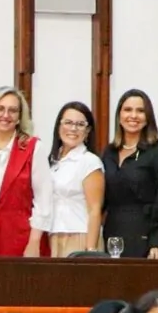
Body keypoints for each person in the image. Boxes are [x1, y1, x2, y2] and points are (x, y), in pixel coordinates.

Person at [0, 86, 52, 257]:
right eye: (0, 109)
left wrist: (34, 242)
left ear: (20, 117)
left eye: (13, 110)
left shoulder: (33, 147)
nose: (5, 115)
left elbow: (43, 200)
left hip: (24, 240)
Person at [101, 90, 158, 259]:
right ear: (119, 115)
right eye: (128, 110)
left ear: (148, 117)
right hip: (111, 235)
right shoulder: (108, 152)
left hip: (144, 238)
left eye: (140, 111)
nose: (133, 116)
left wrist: (157, 241)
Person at [47, 101, 104, 257]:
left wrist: (90, 251)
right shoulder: (53, 161)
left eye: (80, 124)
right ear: (59, 126)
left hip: (79, 236)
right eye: (68, 123)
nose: (73, 129)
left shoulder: (89, 161)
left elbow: (95, 209)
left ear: (88, 131)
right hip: (53, 235)